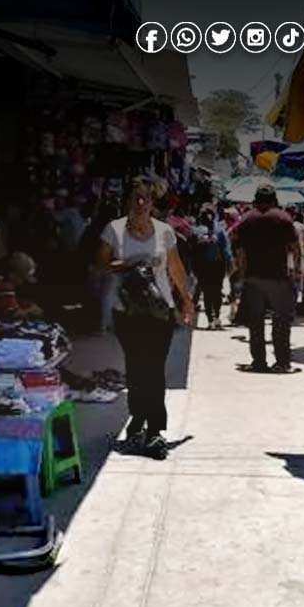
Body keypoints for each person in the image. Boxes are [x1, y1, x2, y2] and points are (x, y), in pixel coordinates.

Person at [97, 176, 195, 460]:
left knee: (153, 370)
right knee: (137, 369)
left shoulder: (165, 232)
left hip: (159, 310)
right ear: (127, 201)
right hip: (126, 312)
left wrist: (186, 301)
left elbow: (175, 268)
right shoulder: (113, 230)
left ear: (152, 202)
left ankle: (154, 429)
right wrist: (129, 263)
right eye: (135, 198)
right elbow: (101, 263)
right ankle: (138, 421)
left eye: (146, 198)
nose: (140, 203)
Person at [232, 184, 299, 372]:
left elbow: (239, 252)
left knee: (256, 323)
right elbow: (295, 247)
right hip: (278, 278)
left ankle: (259, 362)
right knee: (281, 322)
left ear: (256, 199)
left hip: (253, 278)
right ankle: (282, 362)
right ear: (274, 199)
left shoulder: (246, 219)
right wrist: (297, 270)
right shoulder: (284, 218)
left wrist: (241, 274)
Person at [192, 204, 231, 329]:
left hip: (208, 266)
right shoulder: (216, 230)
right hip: (212, 266)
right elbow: (226, 249)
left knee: (211, 292)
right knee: (213, 292)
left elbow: (225, 248)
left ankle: (213, 318)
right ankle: (214, 318)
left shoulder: (201, 230)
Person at [0, 252, 42, 319]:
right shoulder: (5, 287)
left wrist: (23, 303)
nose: (23, 281)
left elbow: (9, 300)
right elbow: (15, 314)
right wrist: (31, 309)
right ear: (12, 275)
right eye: (22, 277)